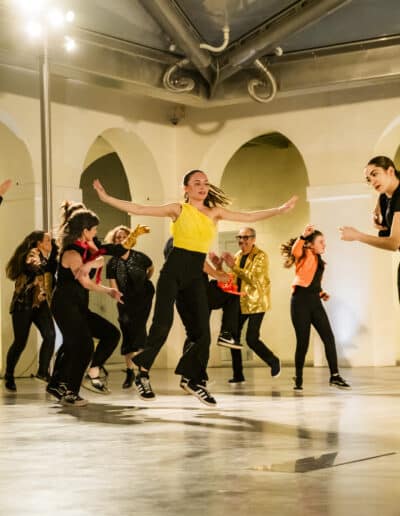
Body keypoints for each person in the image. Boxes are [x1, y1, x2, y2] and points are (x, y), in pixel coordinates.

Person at [93, 171, 297, 407]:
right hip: (173, 272)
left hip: (195, 277)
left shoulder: (215, 213)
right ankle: (142, 373)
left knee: (202, 333)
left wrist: (279, 210)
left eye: (205, 183)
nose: (202, 187)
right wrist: (106, 198)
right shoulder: (178, 209)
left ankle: (193, 379)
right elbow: (139, 208)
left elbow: (248, 216)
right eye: (197, 183)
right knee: (162, 324)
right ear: (186, 189)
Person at [48, 209, 122, 406]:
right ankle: (71, 393)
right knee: (84, 345)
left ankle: (89, 372)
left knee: (111, 334)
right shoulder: (72, 253)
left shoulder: (85, 247)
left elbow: (99, 257)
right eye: (94, 229)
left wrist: (90, 265)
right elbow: (86, 283)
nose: (96, 232)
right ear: (84, 230)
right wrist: (109, 290)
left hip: (79, 306)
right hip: (65, 305)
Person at [281, 224, 351, 390]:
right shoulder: (304, 253)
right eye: (321, 242)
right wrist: (302, 236)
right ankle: (298, 376)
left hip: (314, 301)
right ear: (310, 245)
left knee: (328, 337)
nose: (324, 244)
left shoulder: (321, 262)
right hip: (300, 302)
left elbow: (313, 282)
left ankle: (335, 376)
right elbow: (295, 251)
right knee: (303, 342)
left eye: (324, 241)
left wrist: (321, 293)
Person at [222, 227, 281, 384]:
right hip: (240, 301)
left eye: (246, 237)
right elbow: (233, 279)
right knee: (232, 338)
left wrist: (233, 267)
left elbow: (254, 279)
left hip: (256, 302)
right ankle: (238, 374)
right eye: (239, 237)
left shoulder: (261, 256)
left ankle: (273, 361)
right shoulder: (237, 255)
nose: (242, 241)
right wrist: (219, 267)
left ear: (253, 239)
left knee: (251, 339)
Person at [4, 231, 57, 391]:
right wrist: (44, 263)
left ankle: (43, 372)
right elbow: (33, 267)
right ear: (39, 243)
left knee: (50, 335)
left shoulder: (44, 258)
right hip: (23, 304)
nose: (51, 243)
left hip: (39, 304)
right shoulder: (32, 254)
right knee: (20, 342)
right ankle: (9, 375)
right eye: (48, 240)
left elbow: (48, 273)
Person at [340, 156, 400, 297]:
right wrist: (377, 209)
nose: (372, 181)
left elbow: (394, 243)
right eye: (368, 179)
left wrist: (357, 236)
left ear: (390, 171)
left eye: (375, 174)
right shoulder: (385, 196)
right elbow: (384, 199)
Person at [105, 225, 155, 389]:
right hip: (125, 300)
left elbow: (151, 269)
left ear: (130, 239)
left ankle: (142, 372)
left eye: (124, 237)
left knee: (140, 330)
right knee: (127, 332)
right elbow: (113, 283)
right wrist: (117, 296)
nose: (121, 240)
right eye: (118, 238)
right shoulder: (112, 262)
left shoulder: (140, 257)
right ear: (114, 241)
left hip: (143, 297)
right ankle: (129, 371)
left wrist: (144, 282)